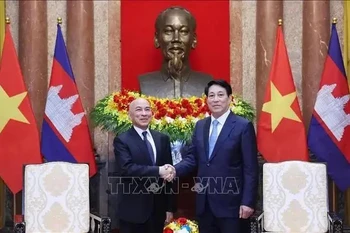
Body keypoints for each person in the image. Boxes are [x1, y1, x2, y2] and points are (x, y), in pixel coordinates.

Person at [164, 80, 259, 233]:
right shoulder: (200, 126)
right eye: (211, 95)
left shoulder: (243, 126)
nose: (216, 99)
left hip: (232, 206)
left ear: (230, 99)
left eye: (221, 95)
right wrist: (173, 170)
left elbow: (250, 168)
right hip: (205, 204)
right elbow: (192, 158)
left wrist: (248, 202)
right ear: (206, 100)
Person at [113, 98, 176, 233]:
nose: (144, 113)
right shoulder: (122, 140)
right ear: (130, 115)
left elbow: (169, 176)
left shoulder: (162, 139)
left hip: (158, 212)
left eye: (147, 109)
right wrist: (158, 170)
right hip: (133, 212)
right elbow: (127, 169)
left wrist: (169, 208)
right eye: (138, 110)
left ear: (152, 114)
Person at [138, 6, 213, 98]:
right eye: (168, 31)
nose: (176, 39)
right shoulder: (145, 82)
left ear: (194, 40)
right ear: (157, 39)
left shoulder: (207, 82)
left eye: (183, 31)